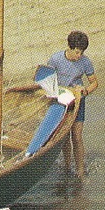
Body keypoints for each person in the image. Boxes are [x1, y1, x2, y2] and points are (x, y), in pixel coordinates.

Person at [41, 30, 99, 178]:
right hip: (60, 100)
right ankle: (67, 167)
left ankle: (80, 171)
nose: (79, 56)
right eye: (77, 52)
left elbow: (94, 83)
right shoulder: (55, 59)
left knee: (77, 136)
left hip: (78, 101)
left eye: (82, 53)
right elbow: (47, 80)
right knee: (64, 136)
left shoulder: (85, 62)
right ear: (70, 47)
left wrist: (84, 91)